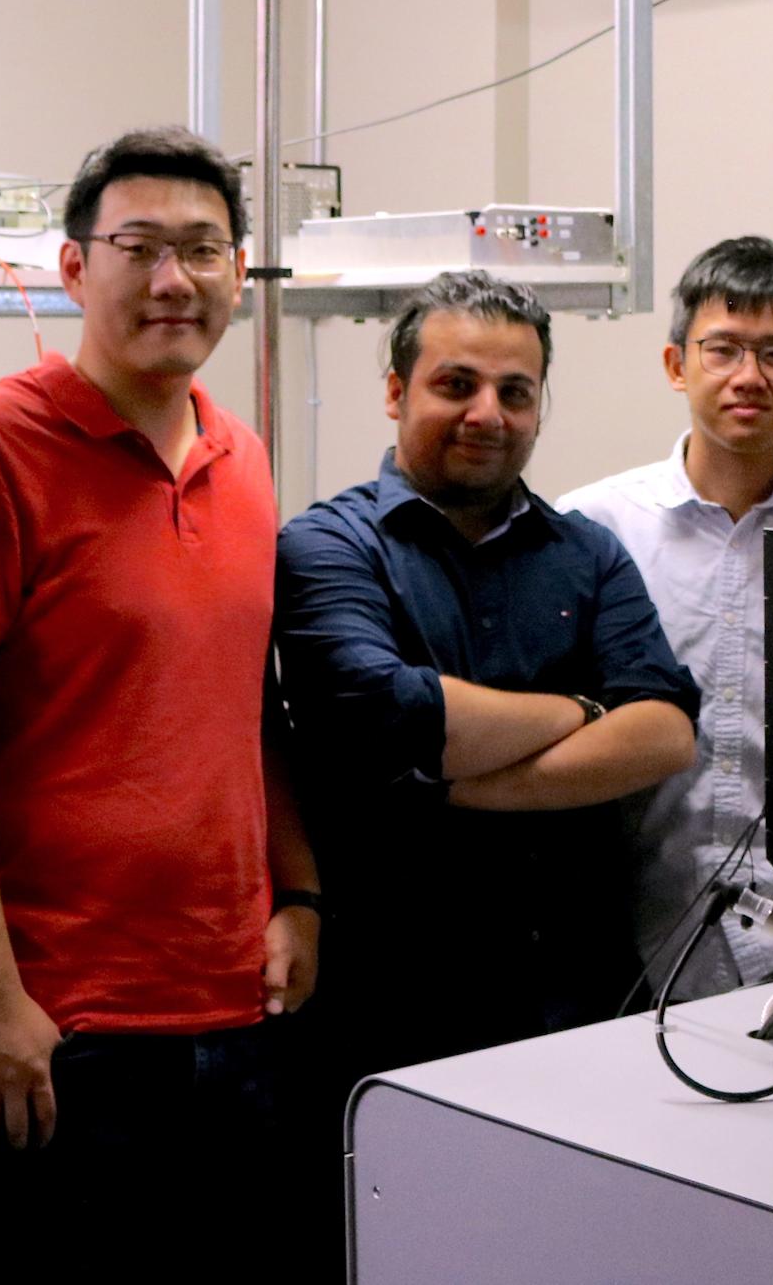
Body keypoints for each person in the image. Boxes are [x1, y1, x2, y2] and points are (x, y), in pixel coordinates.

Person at [0, 126, 319, 1273]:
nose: (174, 279)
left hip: (235, 1014)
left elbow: (245, 706)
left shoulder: (245, 456)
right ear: (75, 269)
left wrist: (301, 896)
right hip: (59, 1026)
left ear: (239, 271)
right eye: (140, 247)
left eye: (203, 249)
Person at [275, 269, 699, 1060]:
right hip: (393, 1002)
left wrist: (455, 788)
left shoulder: (588, 553)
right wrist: (587, 710)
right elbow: (392, 718)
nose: (487, 415)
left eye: (515, 391)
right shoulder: (328, 546)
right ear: (397, 392)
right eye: (457, 385)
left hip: (579, 996)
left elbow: (667, 733)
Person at [558, 236, 773, 1000]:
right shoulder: (593, 527)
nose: (749, 376)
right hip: (619, 928)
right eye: (724, 349)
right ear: (677, 364)